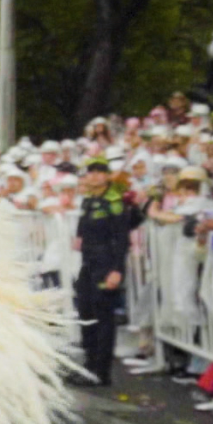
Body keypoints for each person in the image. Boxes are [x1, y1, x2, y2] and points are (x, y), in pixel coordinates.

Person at [71, 158, 142, 386]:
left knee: (103, 317)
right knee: (85, 312)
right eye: (90, 172)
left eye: (100, 172)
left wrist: (116, 270)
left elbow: (121, 239)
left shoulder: (115, 202)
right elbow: (82, 229)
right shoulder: (89, 200)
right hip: (88, 262)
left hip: (106, 262)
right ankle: (89, 364)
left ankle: (101, 371)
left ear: (107, 176)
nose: (94, 176)